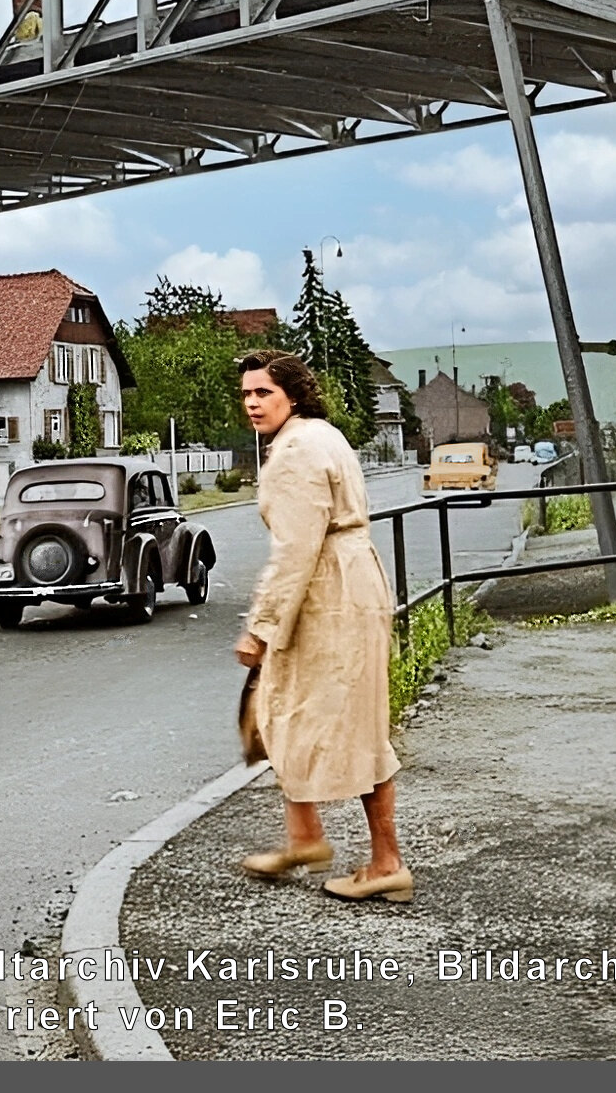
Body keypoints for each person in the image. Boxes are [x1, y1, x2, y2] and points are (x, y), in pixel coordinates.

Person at [233, 350, 410, 902]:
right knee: (288, 712)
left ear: (292, 395)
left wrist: (261, 628)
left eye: (264, 392)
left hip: (328, 593)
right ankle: (305, 836)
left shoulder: (295, 452)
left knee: (340, 722)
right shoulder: (319, 435)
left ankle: (386, 862)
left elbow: (295, 550)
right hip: (347, 582)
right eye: (246, 394)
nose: (252, 403)